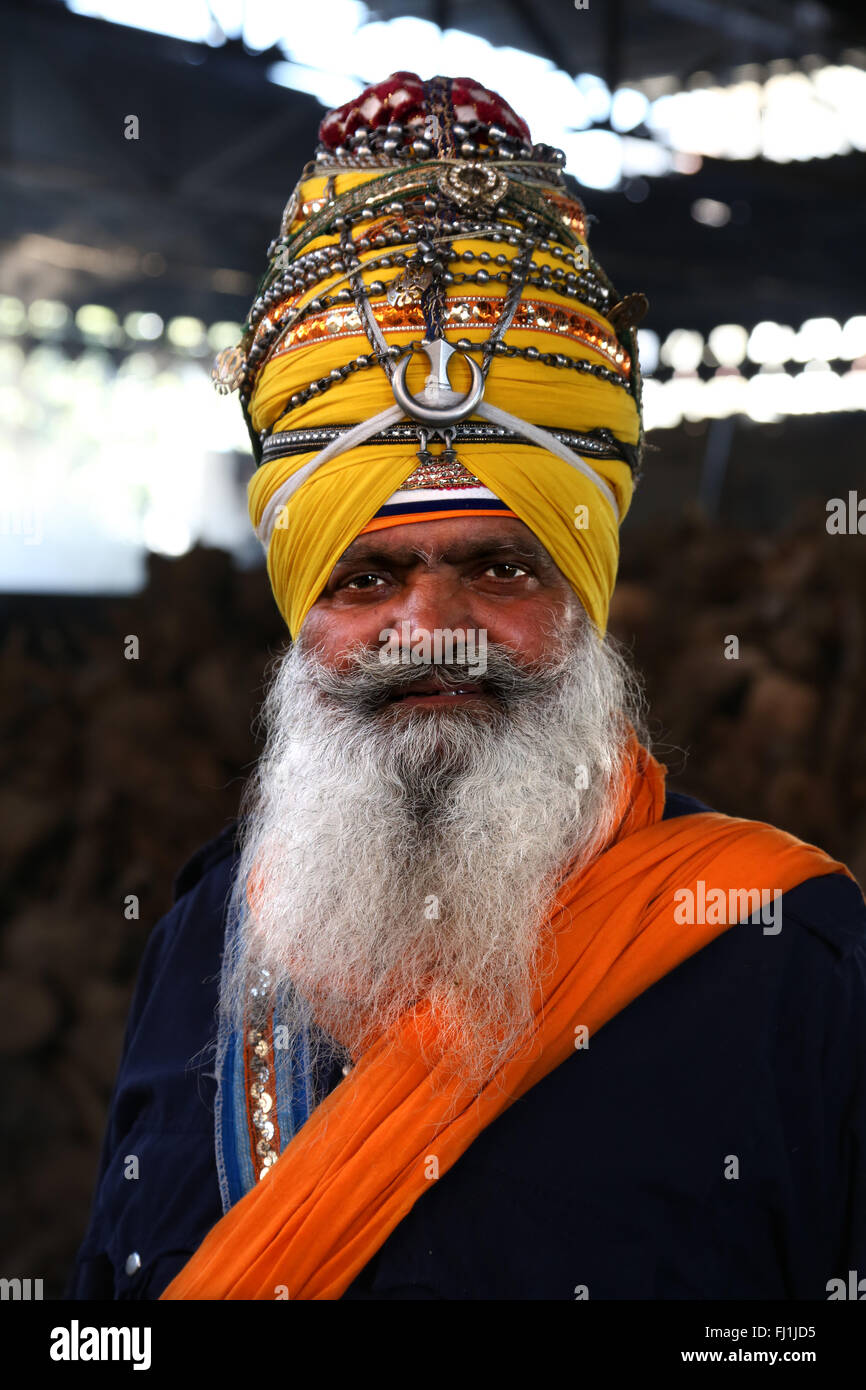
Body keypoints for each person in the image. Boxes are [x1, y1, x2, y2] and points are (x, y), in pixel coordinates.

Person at [67, 72, 866, 1302]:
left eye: (499, 567)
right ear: (297, 615)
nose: (429, 630)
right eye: (367, 578)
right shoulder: (206, 937)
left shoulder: (791, 958)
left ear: (587, 593)